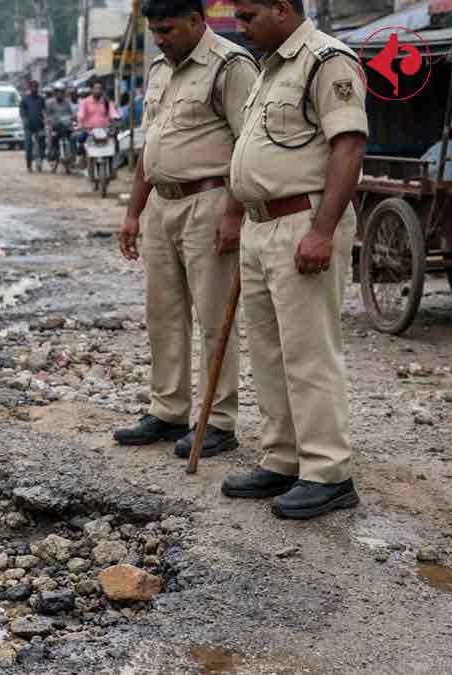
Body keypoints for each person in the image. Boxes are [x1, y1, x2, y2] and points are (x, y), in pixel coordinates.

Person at [221, 0, 368, 519]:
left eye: (247, 16)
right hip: (262, 225)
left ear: (282, 9)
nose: (240, 27)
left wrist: (323, 231)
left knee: (309, 352)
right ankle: (282, 457)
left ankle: (328, 472)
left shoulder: (326, 59)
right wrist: (237, 213)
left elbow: (348, 146)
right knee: (268, 349)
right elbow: (252, 147)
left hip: (302, 222)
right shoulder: (269, 67)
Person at [115, 0, 258, 461]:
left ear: (197, 22)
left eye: (168, 29)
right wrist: (134, 212)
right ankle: (169, 410)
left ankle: (218, 421)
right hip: (162, 202)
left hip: (210, 201)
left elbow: (248, 145)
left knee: (214, 317)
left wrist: (234, 214)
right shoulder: (159, 69)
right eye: (154, 30)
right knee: (163, 313)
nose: (159, 38)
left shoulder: (230, 66)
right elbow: (150, 145)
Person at [76, 80, 122, 171]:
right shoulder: (85, 102)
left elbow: (113, 113)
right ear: (91, 90)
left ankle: (114, 164)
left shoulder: (107, 102)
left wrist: (116, 118)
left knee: (115, 141)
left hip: (104, 130)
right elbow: (81, 113)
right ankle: (82, 159)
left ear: (102, 90)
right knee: (80, 139)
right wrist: (80, 119)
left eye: (100, 88)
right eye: (95, 88)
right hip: (89, 130)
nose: (97, 90)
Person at [19, 79, 46, 172]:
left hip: (39, 126)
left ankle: (40, 162)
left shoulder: (41, 99)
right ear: (30, 88)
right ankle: (29, 165)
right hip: (28, 127)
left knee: (42, 145)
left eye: (36, 87)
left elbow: (44, 111)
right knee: (28, 146)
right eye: (33, 87)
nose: (34, 88)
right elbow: (22, 112)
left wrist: (45, 120)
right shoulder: (25, 99)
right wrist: (24, 120)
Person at [44, 86, 76, 162]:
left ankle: (72, 155)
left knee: (74, 137)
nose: (60, 94)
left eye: (61, 92)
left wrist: (73, 117)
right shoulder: (50, 103)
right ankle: (52, 152)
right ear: (55, 93)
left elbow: (71, 113)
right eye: (58, 92)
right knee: (52, 137)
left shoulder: (67, 102)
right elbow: (46, 114)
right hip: (55, 126)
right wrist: (48, 119)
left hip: (66, 126)